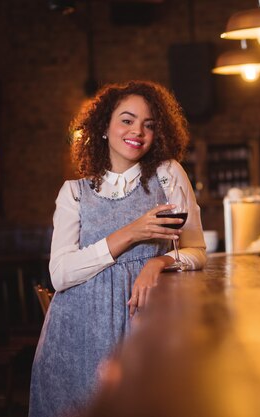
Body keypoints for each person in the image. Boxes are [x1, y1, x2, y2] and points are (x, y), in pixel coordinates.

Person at [29, 80, 206, 417]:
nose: (137, 131)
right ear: (104, 127)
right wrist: (130, 233)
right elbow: (60, 275)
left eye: (149, 124)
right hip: (76, 336)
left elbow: (197, 250)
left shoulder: (168, 175)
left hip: (143, 325)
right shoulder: (74, 193)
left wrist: (160, 262)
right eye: (127, 120)